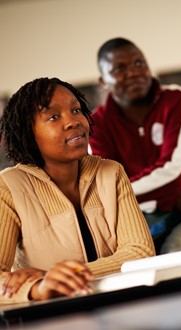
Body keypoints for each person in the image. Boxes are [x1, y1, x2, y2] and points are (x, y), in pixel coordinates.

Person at [0, 77, 155, 304]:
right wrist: (39, 289)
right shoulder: (8, 187)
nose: (73, 121)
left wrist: (60, 277)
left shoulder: (111, 172)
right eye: (54, 116)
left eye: (76, 110)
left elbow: (140, 253)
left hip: (121, 305)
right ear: (28, 132)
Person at [89, 37, 181, 254]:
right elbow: (108, 190)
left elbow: (174, 169)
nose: (133, 73)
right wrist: (176, 198)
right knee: (127, 261)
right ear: (103, 81)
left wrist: (152, 197)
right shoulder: (96, 124)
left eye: (139, 63)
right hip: (143, 219)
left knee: (177, 251)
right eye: (119, 68)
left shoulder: (178, 99)